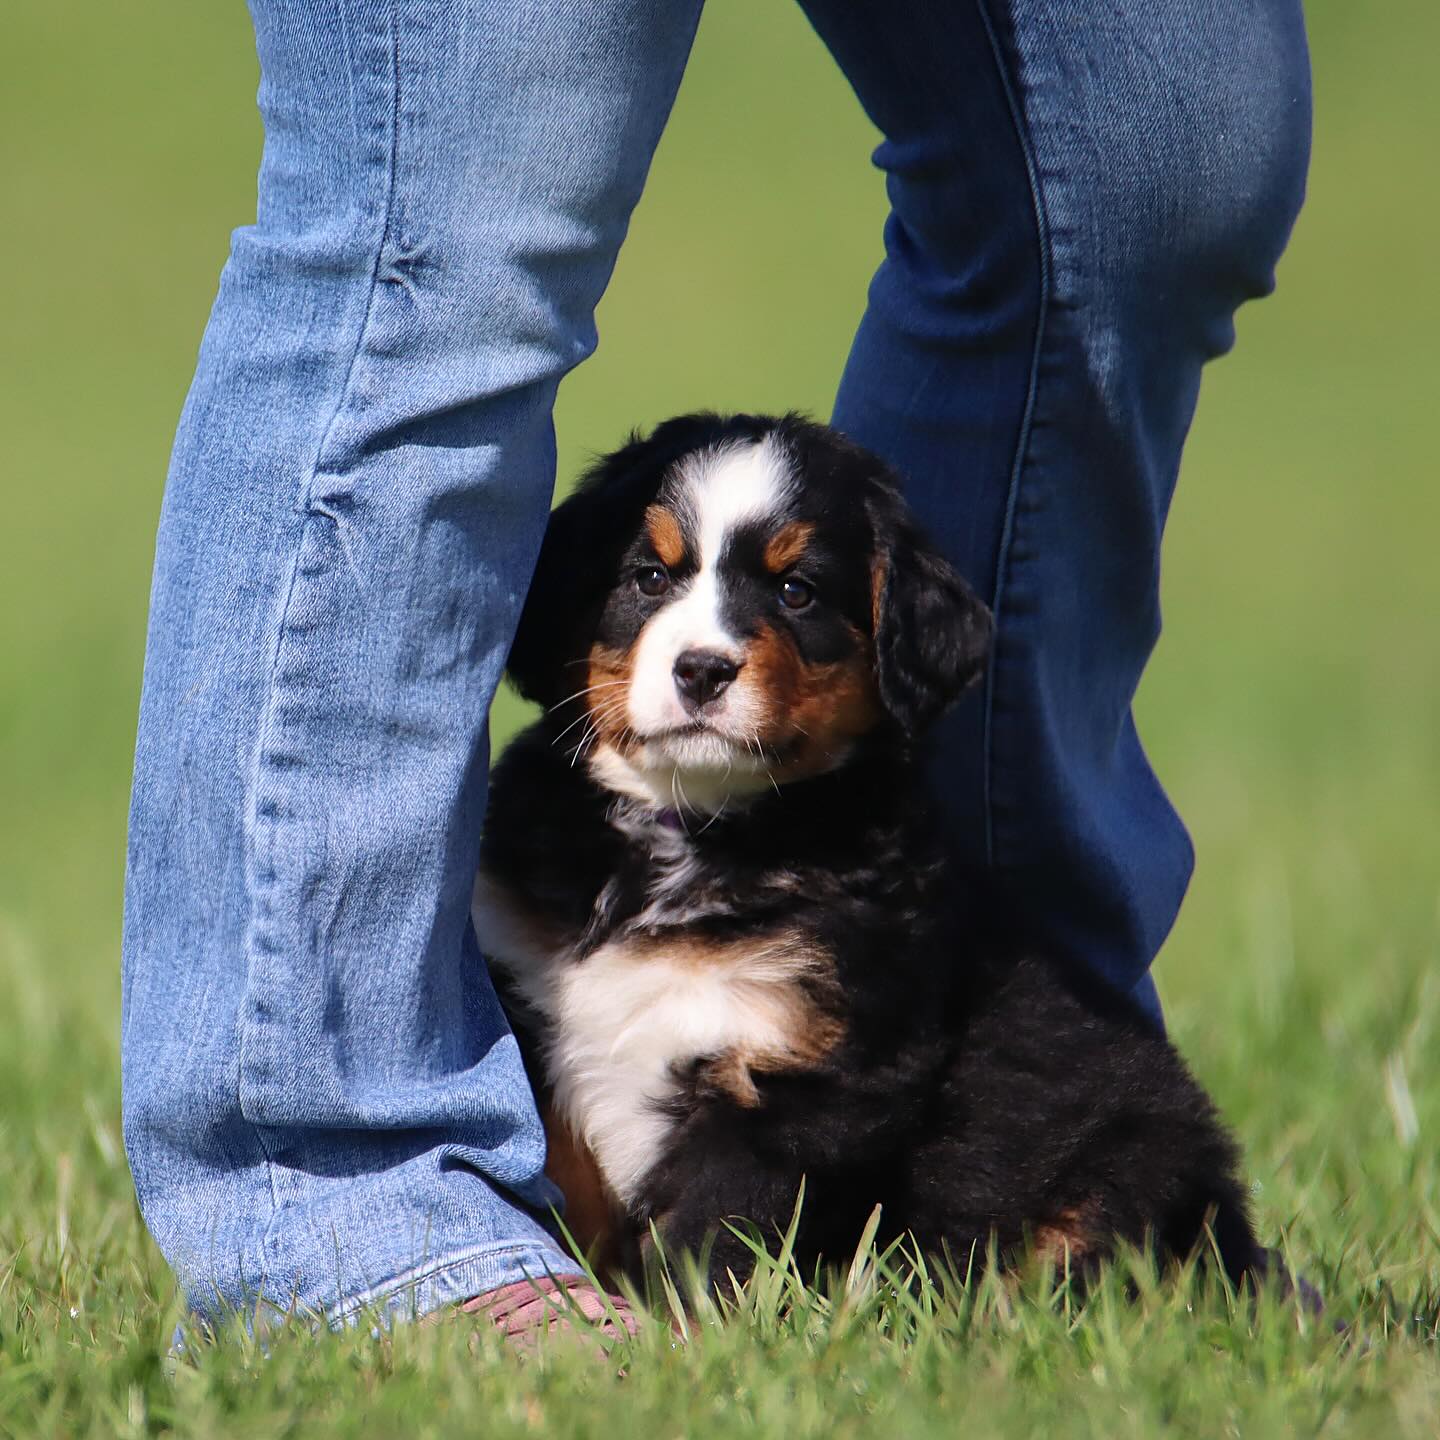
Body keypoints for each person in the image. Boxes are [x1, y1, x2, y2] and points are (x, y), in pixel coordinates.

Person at [121, 0, 1311, 1338]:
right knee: (438, 215)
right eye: (655, 579)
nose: (707, 643)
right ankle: (340, 1216)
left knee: (1153, 169)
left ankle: (1155, 1250)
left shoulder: (846, 920)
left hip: (968, 1104)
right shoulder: (529, 848)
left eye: (790, 593)